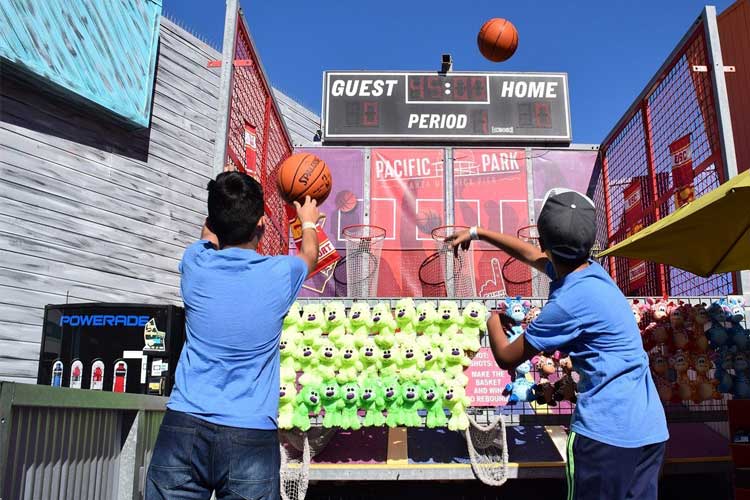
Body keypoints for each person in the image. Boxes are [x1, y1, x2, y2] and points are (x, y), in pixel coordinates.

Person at [447, 189, 668, 500]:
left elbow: (507, 356)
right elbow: (530, 255)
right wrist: (477, 232)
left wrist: (490, 318)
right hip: (649, 431)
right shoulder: (592, 273)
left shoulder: (567, 303)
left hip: (606, 437)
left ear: (544, 243)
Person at [146, 172, 320, 500]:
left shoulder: (195, 262)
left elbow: (209, 235)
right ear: (262, 225)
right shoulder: (282, 273)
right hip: (250, 432)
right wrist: (307, 221)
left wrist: (222, 205)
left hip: (185, 424)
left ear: (212, 220)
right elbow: (309, 254)